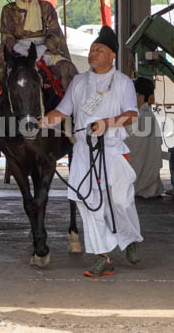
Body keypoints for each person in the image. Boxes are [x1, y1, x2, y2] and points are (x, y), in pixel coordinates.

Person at [39, 26, 142, 278]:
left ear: (112, 56)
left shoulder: (123, 82)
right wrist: (43, 121)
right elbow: (62, 111)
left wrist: (107, 123)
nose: (93, 53)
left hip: (113, 150)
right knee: (88, 202)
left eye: (99, 50)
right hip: (84, 151)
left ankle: (129, 238)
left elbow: (132, 115)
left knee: (120, 201)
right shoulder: (79, 81)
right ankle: (103, 256)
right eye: (92, 49)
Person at [126, 77, 165, 198]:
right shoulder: (146, 115)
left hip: (141, 174)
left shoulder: (143, 117)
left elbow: (133, 148)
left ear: (140, 97)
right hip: (149, 176)